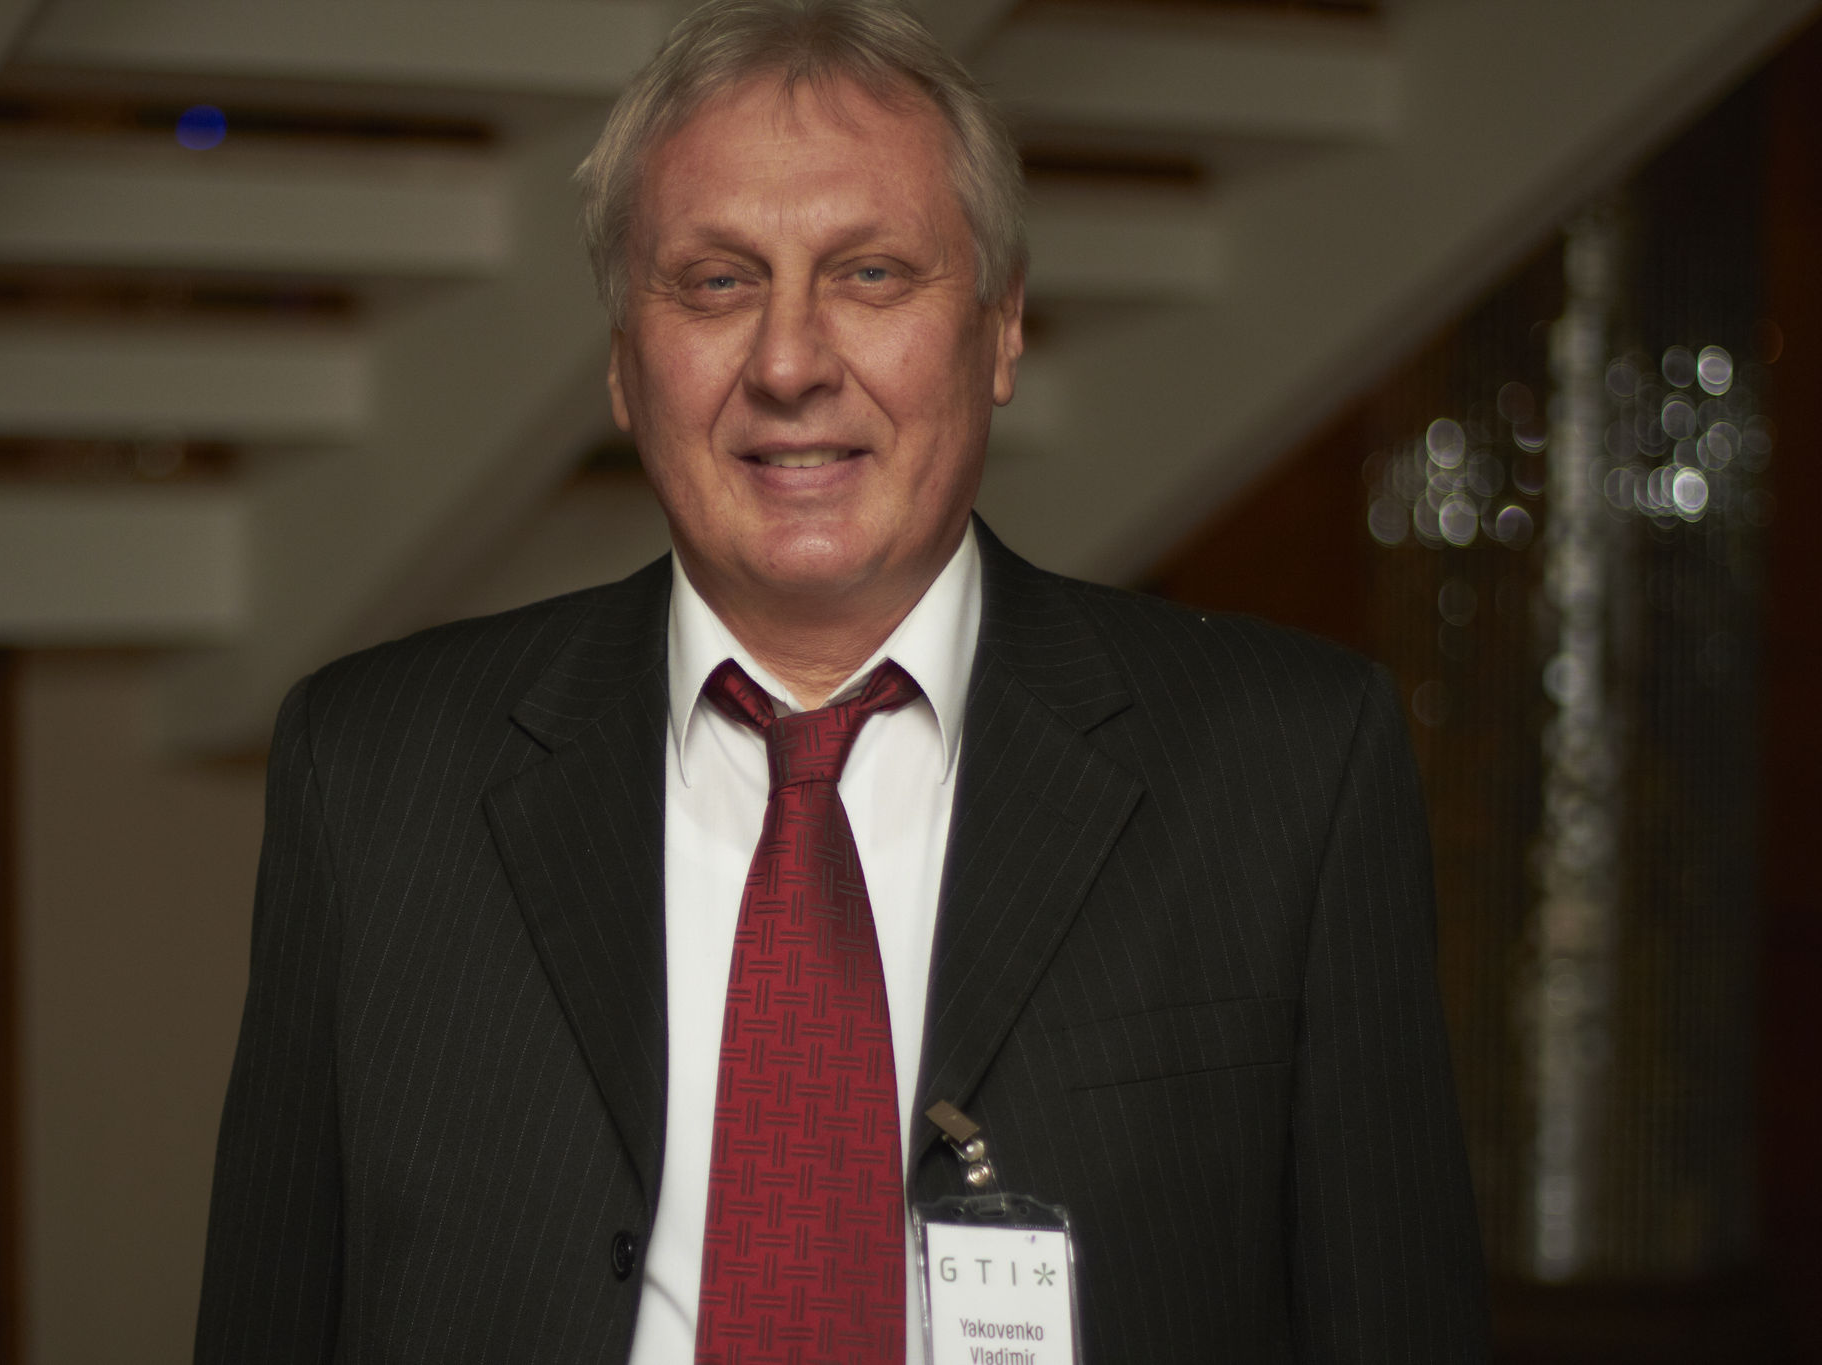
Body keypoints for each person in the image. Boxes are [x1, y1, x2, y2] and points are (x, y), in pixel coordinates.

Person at [194, 2, 1488, 1361]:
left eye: (870, 274)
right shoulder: (374, 776)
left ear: (999, 325)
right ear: (622, 358)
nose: (789, 363)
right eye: (716, 282)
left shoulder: (1291, 769)